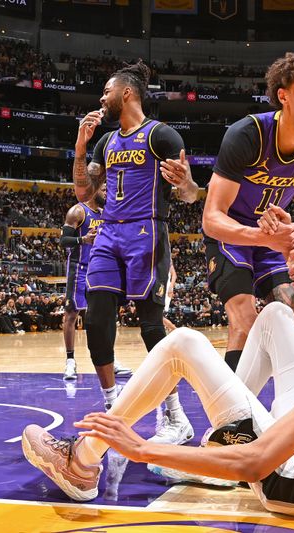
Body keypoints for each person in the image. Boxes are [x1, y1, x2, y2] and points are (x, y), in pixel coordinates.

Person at [21, 245, 294, 516]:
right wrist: (293, 252)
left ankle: (82, 463)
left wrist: (142, 448)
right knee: (275, 315)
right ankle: (226, 434)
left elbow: (257, 463)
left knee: (183, 341)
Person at [72, 58, 199, 449]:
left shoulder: (161, 135)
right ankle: (112, 410)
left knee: (150, 326)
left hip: (147, 231)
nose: (101, 98)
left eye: (106, 91)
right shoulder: (106, 142)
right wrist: (80, 148)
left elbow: (190, 195)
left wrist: (186, 183)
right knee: (95, 320)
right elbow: (84, 194)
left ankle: (175, 416)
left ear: (126, 93)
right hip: (109, 234)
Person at [202, 48, 294, 373]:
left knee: (291, 313)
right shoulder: (247, 134)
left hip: (272, 238)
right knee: (245, 320)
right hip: (233, 234)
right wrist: (260, 237)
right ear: (283, 96)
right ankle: (232, 415)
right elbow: (211, 218)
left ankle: (285, 408)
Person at [60, 184, 133, 380]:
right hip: (79, 268)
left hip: (100, 268)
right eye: (104, 189)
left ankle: (111, 360)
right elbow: (64, 240)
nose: (107, 192)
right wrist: (83, 240)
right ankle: (70, 361)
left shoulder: (106, 214)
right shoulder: (78, 211)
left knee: (108, 316)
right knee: (71, 314)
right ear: (93, 190)